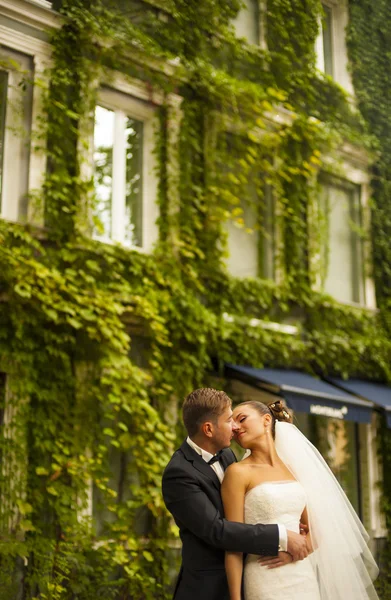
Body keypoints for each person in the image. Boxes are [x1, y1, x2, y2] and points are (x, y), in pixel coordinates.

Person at [222, 399, 380, 600]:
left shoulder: (294, 469)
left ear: (266, 420)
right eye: (232, 424)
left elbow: (317, 531)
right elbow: (233, 542)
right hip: (264, 577)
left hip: (302, 576)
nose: (235, 427)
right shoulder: (237, 473)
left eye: (242, 419)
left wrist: (291, 554)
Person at [162, 388, 309, 600]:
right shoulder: (178, 474)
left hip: (258, 573)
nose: (235, 427)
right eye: (230, 420)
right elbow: (217, 531)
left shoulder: (227, 454)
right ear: (208, 429)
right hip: (208, 589)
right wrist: (282, 536)